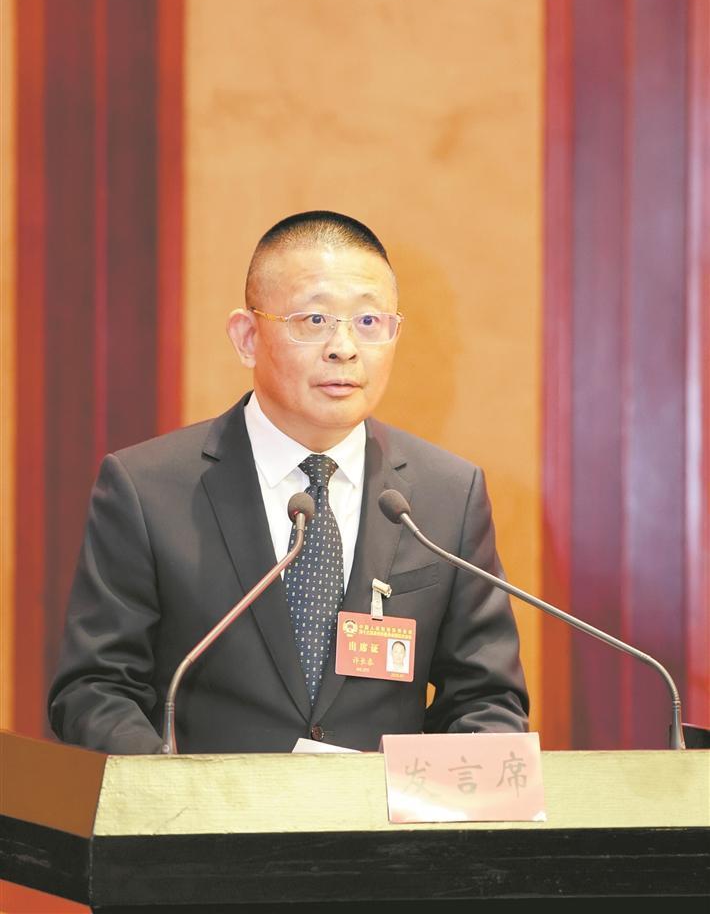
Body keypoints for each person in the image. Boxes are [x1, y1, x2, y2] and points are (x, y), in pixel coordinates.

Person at [48, 210, 529, 754]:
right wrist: (173, 792)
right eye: (315, 320)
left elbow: (486, 699)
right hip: (205, 808)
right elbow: (95, 690)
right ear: (247, 337)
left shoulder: (448, 496)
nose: (344, 347)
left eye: (369, 322)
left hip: (380, 810)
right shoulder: (147, 490)